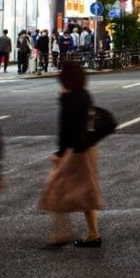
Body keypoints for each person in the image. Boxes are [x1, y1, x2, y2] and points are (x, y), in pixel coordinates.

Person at [38, 61, 103, 248]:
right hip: (88, 149)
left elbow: (66, 129)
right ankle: (92, 233)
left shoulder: (70, 99)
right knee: (88, 191)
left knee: (55, 189)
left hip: (75, 152)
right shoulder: (85, 95)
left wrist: (59, 153)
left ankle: (62, 232)